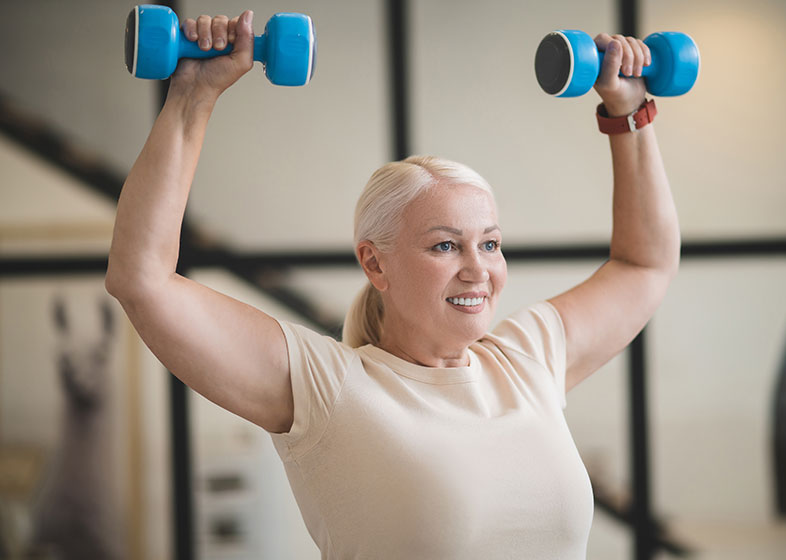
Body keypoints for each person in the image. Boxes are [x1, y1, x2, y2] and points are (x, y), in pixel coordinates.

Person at [106, 9, 679, 560]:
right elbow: (143, 279)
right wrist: (191, 97)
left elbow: (643, 265)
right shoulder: (330, 390)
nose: (478, 268)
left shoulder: (527, 361)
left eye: (491, 243)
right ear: (375, 264)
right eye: (445, 245)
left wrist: (629, 113)